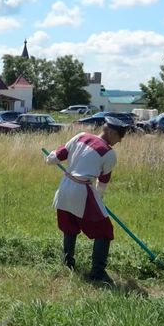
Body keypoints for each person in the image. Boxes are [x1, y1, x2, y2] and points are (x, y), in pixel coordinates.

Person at [45, 116, 129, 285]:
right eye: (119, 138)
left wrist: (50, 158)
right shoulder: (109, 153)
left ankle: (67, 263)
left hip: (64, 188)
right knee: (105, 232)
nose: (119, 142)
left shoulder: (81, 135)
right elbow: (103, 180)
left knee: (70, 226)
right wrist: (99, 196)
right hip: (82, 191)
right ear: (111, 133)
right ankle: (97, 272)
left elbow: (58, 154)